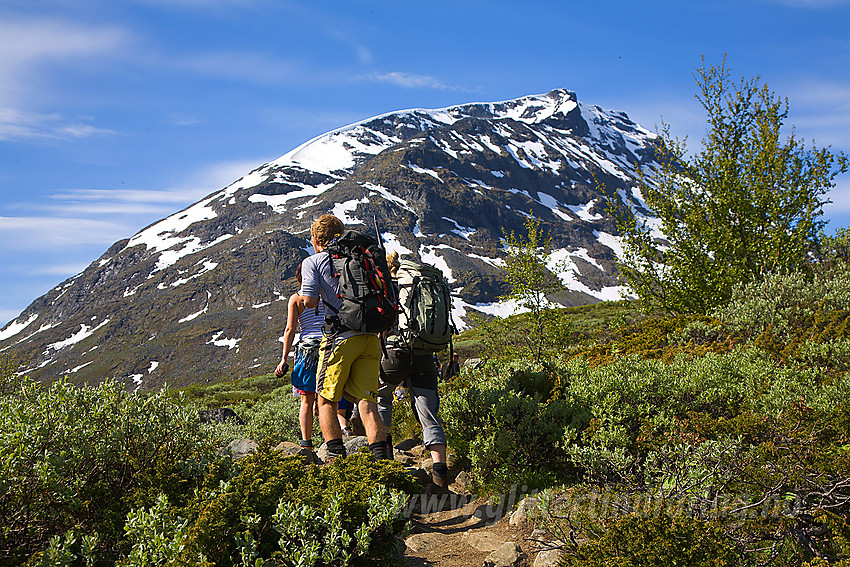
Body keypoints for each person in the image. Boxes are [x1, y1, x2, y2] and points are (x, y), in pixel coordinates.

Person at [298, 214, 389, 462]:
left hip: (339, 337)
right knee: (367, 402)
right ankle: (382, 464)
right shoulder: (360, 259)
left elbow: (309, 301)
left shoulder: (313, 261)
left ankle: (338, 463)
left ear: (316, 238)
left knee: (325, 400)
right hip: (370, 336)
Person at [377, 252, 451, 491]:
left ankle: (385, 462)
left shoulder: (390, 287)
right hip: (424, 355)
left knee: (381, 398)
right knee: (429, 413)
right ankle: (440, 477)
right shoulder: (420, 286)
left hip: (395, 353)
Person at [275, 262, 323, 450]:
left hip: (306, 350)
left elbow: (290, 330)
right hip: (328, 346)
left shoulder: (296, 299)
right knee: (327, 398)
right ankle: (333, 440)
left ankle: (306, 443)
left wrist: (284, 359)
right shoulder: (325, 295)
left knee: (306, 398)